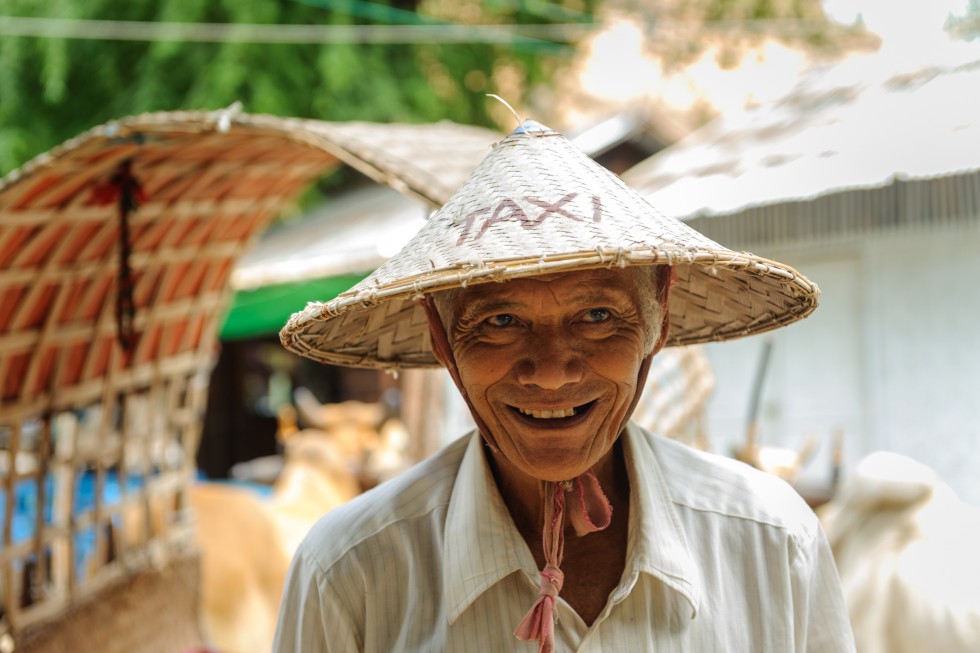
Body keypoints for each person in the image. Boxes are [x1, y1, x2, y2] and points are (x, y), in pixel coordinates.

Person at [274, 120, 856, 652]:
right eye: (500, 322)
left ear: (659, 318)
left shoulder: (774, 544)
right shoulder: (349, 573)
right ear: (442, 337)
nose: (551, 372)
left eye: (598, 316)